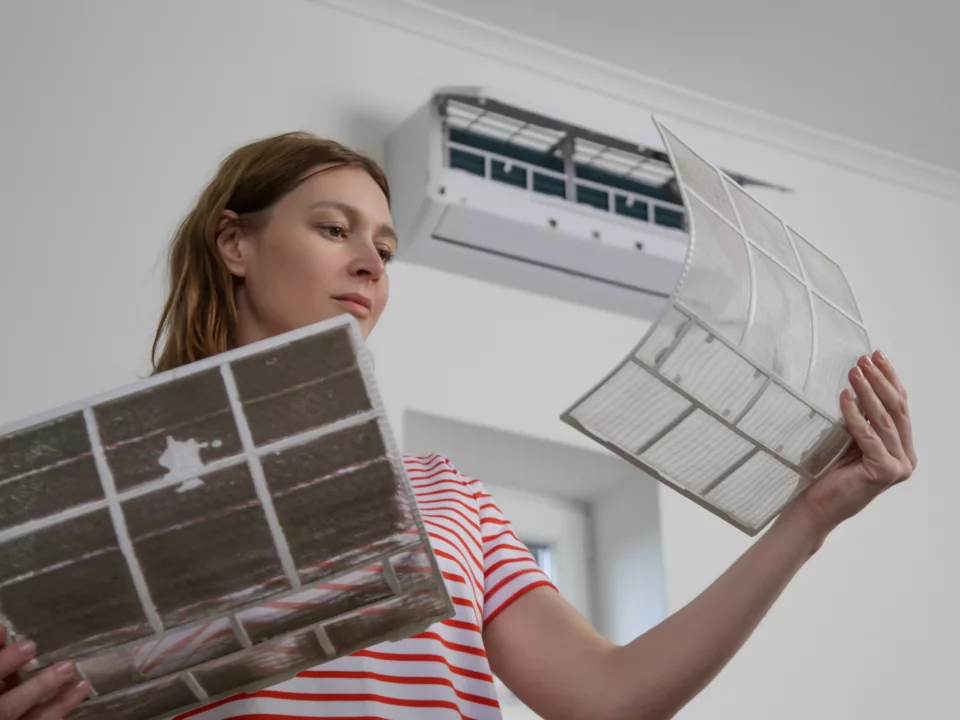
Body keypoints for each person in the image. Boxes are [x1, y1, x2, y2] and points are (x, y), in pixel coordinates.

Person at [0, 132, 917, 720]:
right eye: (333, 228)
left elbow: (611, 699)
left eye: (387, 249)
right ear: (235, 244)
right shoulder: (71, 504)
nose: (369, 262)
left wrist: (810, 519)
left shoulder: (446, 496)